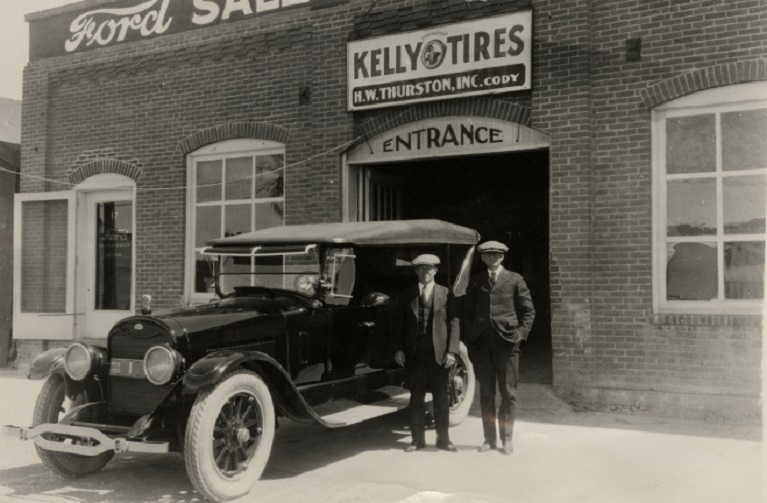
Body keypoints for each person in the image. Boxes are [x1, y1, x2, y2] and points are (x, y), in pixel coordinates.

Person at [461, 241, 535, 455]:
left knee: (508, 393)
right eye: (487, 255)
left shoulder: (515, 279)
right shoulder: (475, 281)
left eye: (496, 255)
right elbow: (467, 312)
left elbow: (529, 311)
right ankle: (489, 439)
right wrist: (469, 336)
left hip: (507, 344)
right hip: (482, 346)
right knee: (486, 393)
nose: (491, 259)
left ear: (502, 257)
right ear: (482, 258)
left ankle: (507, 439)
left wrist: (520, 335)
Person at [392, 254, 460, 452]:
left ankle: (444, 440)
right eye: (421, 268)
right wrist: (398, 349)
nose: (425, 272)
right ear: (415, 271)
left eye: (429, 268)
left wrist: (452, 351)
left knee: (440, 398)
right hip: (415, 354)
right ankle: (417, 441)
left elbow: (454, 323)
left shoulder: (446, 294)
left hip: (439, 354)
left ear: (436, 271)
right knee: (416, 398)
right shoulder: (407, 294)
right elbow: (399, 324)